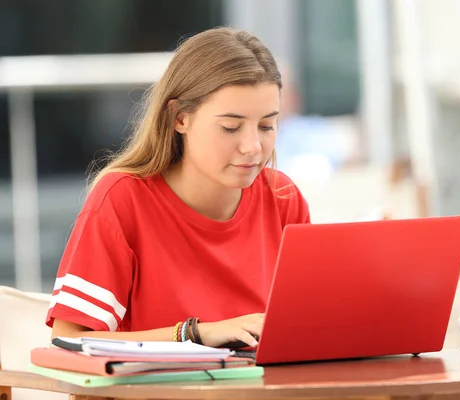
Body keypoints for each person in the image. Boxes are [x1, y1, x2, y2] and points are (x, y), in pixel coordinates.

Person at [46, 27, 311, 349]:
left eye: (267, 126)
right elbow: (66, 340)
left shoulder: (283, 197)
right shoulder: (123, 199)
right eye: (230, 127)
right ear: (179, 118)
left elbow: (306, 325)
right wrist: (193, 334)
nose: (253, 146)